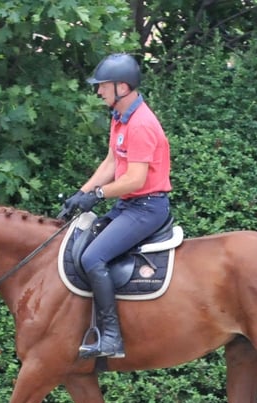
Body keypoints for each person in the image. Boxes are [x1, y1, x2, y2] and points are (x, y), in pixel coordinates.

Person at [60, 52, 172, 359]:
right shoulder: (120, 118)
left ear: (122, 86)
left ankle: (111, 337)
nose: (98, 91)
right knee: (81, 244)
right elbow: (112, 161)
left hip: (147, 207)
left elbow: (135, 179)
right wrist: (80, 194)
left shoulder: (141, 124)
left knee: (93, 257)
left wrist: (97, 195)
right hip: (129, 206)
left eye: (103, 86)